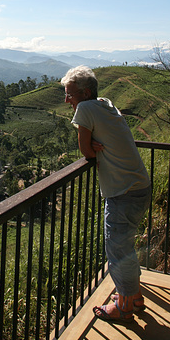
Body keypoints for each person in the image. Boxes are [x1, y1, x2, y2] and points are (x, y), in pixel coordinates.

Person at [61, 65, 151, 323]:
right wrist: (95, 144)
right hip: (139, 186)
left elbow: (86, 151)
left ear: (85, 92)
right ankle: (133, 296)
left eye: (70, 94)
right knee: (125, 247)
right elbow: (93, 144)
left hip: (123, 192)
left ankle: (123, 308)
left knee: (118, 250)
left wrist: (92, 147)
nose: (67, 100)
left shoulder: (85, 108)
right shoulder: (104, 103)